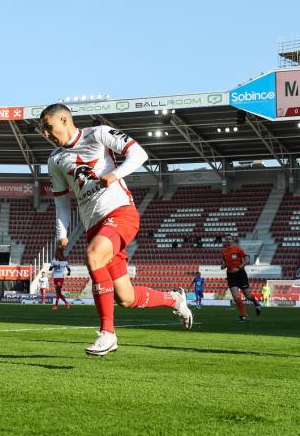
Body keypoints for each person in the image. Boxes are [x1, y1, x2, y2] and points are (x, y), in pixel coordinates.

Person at [41, 103, 192, 356]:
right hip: (94, 225)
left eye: (49, 127)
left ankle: (108, 334)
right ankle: (174, 300)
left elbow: (139, 154)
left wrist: (115, 174)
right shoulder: (55, 159)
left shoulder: (98, 133)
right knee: (125, 297)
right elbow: (61, 202)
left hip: (120, 212)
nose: (45, 133)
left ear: (65, 120)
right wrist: (62, 235)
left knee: (93, 255)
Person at [221, 235, 261, 322]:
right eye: (226, 239)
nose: (228, 240)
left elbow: (247, 259)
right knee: (235, 296)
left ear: (232, 240)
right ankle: (243, 315)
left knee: (248, 295)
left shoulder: (238, 249)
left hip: (240, 274)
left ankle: (256, 303)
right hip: (231, 275)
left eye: (230, 239)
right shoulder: (224, 252)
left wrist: (240, 267)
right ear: (225, 241)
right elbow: (225, 263)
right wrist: (223, 266)